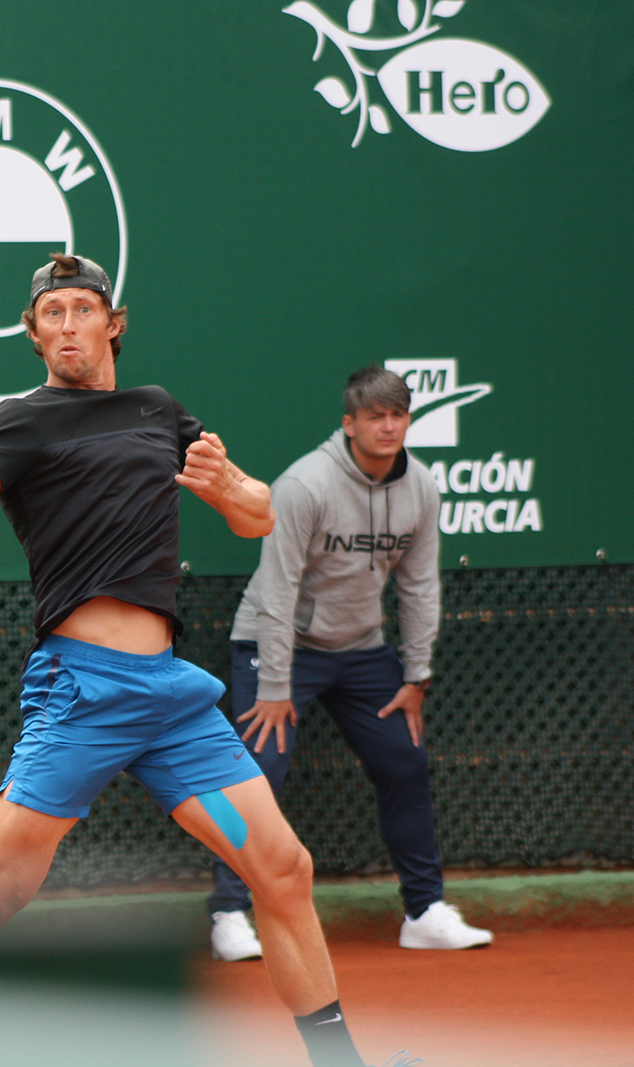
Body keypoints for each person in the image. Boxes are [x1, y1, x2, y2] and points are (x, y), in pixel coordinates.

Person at [0, 255, 383, 1067]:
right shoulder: (22, 422)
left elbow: (258, 515)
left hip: (171, 701)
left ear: (111, 322)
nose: (66, 325)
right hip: (82, 694)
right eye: (50, 313)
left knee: (283, 867)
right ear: (34, 333)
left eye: (80, 309)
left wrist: (225, 479)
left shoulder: (158, 410)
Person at [206, 366, 492, 963]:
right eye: (375, 417)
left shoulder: (422, 490)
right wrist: (277, 685)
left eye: (398, 416)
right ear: (350, 423)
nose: (388, 427)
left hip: (362, 652)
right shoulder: (303, 485)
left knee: (405, 762)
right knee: (256, 776)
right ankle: (231, 915)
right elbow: (279, 591)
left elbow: (418, 588)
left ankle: (424, 912)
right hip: (276, 647)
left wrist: (416, 677)